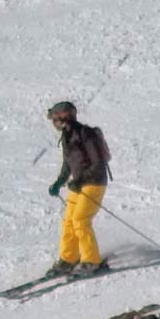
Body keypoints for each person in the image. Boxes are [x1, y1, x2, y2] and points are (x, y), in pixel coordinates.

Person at [45, 101, 110, 277]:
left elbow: (97, 164)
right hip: (80, 184)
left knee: (80, 220)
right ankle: (68, 259)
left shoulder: (85, 134)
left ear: (64, 117)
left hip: (94, 183)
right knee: (68, 222)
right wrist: (59, 182)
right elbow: (68, 165)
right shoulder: (67, 137)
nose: (54, 124)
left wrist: (79, 180)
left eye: (55, 119)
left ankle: (92, 261)